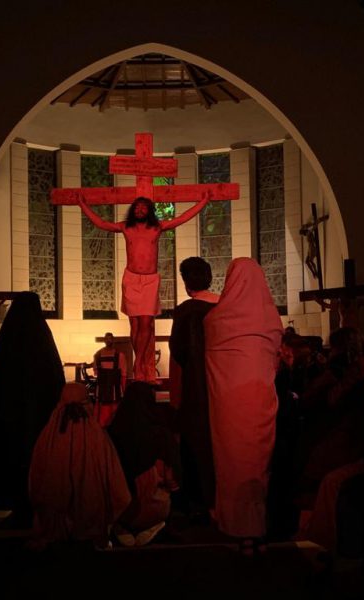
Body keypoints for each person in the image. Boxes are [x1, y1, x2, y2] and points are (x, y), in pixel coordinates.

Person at [77, 194, 211, 383]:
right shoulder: (126, 227)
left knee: (146, 323)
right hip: (131, 279)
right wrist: (82, 204)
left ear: (149, 210)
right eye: (137, 207)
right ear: (133, 210)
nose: (140, 210)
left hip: (150, 280)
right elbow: (101, 223)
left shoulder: (157, 227)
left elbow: (182, 218)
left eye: (144, 207)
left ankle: (138, 361)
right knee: (135, 324)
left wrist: (203, 202)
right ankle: (139, 363)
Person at [203, 258, 283, 553]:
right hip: (259, 399)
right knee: (258, 461)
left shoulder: (215, 319)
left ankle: (235, 524)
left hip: (227, 405)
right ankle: (257, 525)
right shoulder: (270, 318)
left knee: (231, 460)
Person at [0, 292, 64, 523]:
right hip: (39, 416)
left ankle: (18, 506)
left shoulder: (8, 339)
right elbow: (55, 378)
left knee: (15, 458)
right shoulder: (42, 339)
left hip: (12, 415)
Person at [27, 383, 131, 550]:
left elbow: (36, 476)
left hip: (55, 528)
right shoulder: (96, 434)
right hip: (90, 525)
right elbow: (114, 478)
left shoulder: (49, 435)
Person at [168, 256, 219, 519]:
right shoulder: (224, 305)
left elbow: (179, 351)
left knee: (197, 442)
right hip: (223, 384)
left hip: (196, 386)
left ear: (186, 282)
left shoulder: (186, 311)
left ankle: (198, 502)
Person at [108, 382, 180, 546]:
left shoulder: (111, 435)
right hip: (155, 511)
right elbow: (174, 482)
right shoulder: (162, 437)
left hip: (121, 512)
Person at [91, 332, 126, 426]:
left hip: (114, 389)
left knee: (113, 410)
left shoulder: (120, 355)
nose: (109, 341)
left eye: (110, 339)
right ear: (104, 340)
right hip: (103, 390)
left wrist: (124, 389)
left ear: (113, 340)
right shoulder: (97, 355)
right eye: (107, 339)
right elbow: (96, 373)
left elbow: (123, 375)